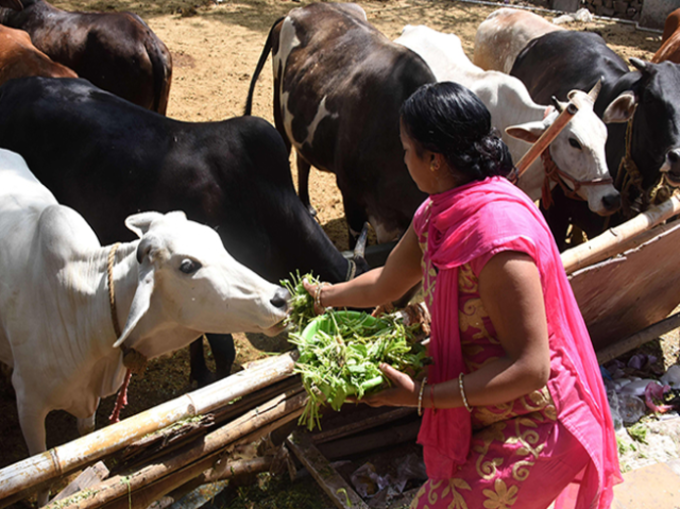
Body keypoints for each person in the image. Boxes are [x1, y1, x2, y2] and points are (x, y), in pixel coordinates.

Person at [303, 82, 621, 509]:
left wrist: (420, 396)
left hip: (538, 422)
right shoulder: (437, 212)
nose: (402, 158)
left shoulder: (497, 240)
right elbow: (386, 285)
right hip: (485, 411)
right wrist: (323, 296)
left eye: (405, 148)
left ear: (433, 159)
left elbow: (530, 368)